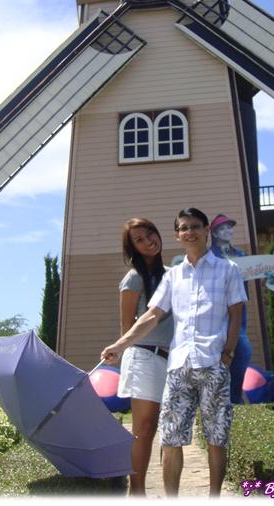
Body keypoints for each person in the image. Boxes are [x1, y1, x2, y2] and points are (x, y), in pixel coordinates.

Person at [101, 207, 247, 497]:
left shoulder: (228, 269)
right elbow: (151, 315)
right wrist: (120, 345)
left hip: (212, 362)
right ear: (177, 235)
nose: (190, 232)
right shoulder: (172, 277)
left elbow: (236, 313)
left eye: (195, 226)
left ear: (206, 230)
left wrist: (228, 354)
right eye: (184, 228)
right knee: (169, 438)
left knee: (217, 437)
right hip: (177, 365)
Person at [117, 218, 173, 496]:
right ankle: (137, 492)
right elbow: (127, 326)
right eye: (139, 240)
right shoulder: (134, 278)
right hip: (143, 356)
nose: (148, 241)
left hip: (172, 359)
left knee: (170, 429)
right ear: (133, 249)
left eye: (150, 233)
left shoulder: (173, 275)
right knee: (145, 427)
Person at [210, 213, 252, 404]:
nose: (228, 231)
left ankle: (234, 396)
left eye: (230, 227)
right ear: (214, 233)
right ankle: (221, 397)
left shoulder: (241, 255)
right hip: (217, 309)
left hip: (239, 308)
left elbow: (254, 275)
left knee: (241, 349)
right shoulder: (209, 256)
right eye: (223, 228)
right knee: (236, 349)